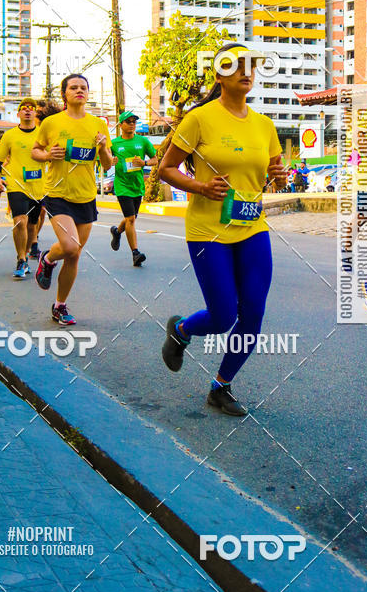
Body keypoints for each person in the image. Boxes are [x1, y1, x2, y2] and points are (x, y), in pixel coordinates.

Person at [158, 44, 286, 416]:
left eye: (250, 65)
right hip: (207, 230)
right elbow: (166, 169)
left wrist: (279, 175)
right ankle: (181, 330)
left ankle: (221, 386)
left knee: (253, 315)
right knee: (223, 315)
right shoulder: (200, 118)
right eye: (235, 65)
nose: (246, 71)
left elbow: (273, 174)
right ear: (218, 75)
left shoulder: (264, 125)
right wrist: (201, 186)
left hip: (252, 227)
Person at [31, 73, 113, 325]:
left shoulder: (98, 125)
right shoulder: (52, 123)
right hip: (57, 193)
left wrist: (102, 149)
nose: (79, 91)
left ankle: (60, 306)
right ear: (64, 94)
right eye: (74, 87)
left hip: (86, 195)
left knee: (75, 254)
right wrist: (47, 155)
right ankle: (46, 258)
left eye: (83, 88)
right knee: (68, 247)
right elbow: (35, 150)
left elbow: (108, 164)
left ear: (88, 93)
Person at [0, 98, 46, 279]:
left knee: (32, 225)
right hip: (16, 185)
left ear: (35, 113)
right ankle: (21, 259)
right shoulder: (10, 135)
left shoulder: (43, 135)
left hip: (38, 186)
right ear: (19, 113)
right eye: (24, 108)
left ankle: (27, 251)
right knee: (20, 221)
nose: (28, 111)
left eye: (31, 108)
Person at [109, 110, 157, 266]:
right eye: (128, 121)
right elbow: (104, 160)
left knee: (131, 218)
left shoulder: (143, 142)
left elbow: (155, 159)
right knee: (130, 219)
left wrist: (144, 163)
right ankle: (135, 253)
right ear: (121, 124)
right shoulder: (114, 143)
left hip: (137, 186)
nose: (131, 124)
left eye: (134, 122)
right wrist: (111, 160)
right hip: (122, 185)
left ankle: (117, 232)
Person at [29, 97, 63, 259]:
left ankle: (34, 240)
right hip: (26, 181)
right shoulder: (27, 132)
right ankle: (31, 242)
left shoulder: (52, 132)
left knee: (41, 212)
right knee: (27, 217)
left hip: (47, 181)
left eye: (37, 113)